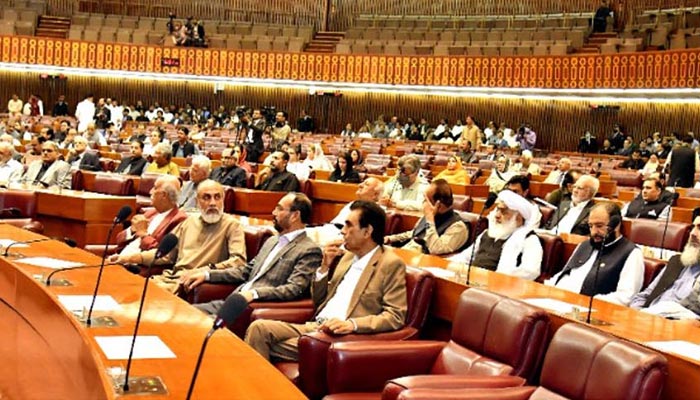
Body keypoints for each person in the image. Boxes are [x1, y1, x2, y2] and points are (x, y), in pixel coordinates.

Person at [244, 200, 407, 362]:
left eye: (349, 225)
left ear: (367, 231)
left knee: (258, 343)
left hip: (342, 336)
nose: (343, 231)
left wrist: (353, 324)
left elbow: (395, 316)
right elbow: (319, 301)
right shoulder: (347, 257)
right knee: (259, 328)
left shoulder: (390, 263)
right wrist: (324, 268)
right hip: (316, 326)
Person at [182, 192, 323, 316]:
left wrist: (254, 294)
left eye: (279, 209)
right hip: (232, 302)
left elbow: (294, 289)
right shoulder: (272, 240)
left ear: (295, 216)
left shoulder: (309, 250)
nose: (273, 212)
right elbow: (246, 271)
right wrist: (207, 275)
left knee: (198, 329)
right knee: (185, 314)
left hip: (255, 308)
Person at [115, 180, 247, 293]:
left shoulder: (232, 226)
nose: (212, 203)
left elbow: (238, 262)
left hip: (190, 282)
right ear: (197, 201)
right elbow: (166, 255)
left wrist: (208, 271)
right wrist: (130, 258)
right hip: (169, 278)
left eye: (217, 197)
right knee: (124, 289)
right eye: (206, 198)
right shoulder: (189, 222)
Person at [545, 203, 644, 306]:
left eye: (599, 226)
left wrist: (591, 302)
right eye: (590, 226)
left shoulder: (631, 253)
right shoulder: (584, 245)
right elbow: (565, 273)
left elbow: (626, 297)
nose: (593, 232)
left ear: (616, 224)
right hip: (559, 299)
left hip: (591, 309)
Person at [449, 190, 543, 281]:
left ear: (518, 218)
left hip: (497, 289)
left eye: (504, 212)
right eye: (497, 210)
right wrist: (447, 265)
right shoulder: (489, 233)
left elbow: (530, 271)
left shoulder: (529, 239)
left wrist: (493, 278)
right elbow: (465, 257)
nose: (497, 215)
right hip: (471, 281)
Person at [629, 215, 700, 319]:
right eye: (693, 227)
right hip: (646, 319)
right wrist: (636, 315)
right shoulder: (676, 261)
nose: (692, 233)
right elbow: (644, 296)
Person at [109, 175, 187, 259]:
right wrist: (132, 230)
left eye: (155, 188)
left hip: (138, 267)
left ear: (164, 195)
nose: (150, 191)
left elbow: (162, 254)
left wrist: (143, 234)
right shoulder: (151, 212)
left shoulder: (179, 219)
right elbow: (119, 240)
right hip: (120, 258)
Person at [385, 179, 468, 255]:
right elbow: (414, 233)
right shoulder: (432, 215)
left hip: (423, 262)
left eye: (426, 200)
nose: (423, 203)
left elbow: (436, 249)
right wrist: (390, 238)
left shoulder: (458, 227)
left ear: (438, 204)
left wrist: (430, 220)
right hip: (407, 253)